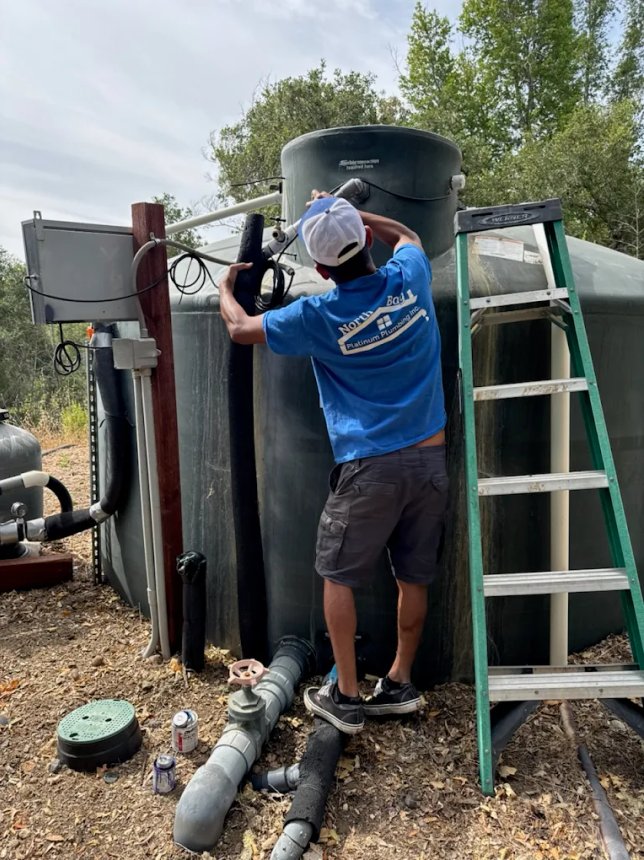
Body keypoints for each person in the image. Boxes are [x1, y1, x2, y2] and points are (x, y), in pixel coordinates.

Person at [218, 192, 448, 734]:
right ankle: (399, 681)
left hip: (370, 468)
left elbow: (240, 329)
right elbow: (410, 237)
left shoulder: (319, 314)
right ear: (367, 240)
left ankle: (345, 696)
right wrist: (352, 214)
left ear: (319, 268)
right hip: (431, 461)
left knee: (337, 574)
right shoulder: (409, 277)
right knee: (413, 574)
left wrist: (226, 290)